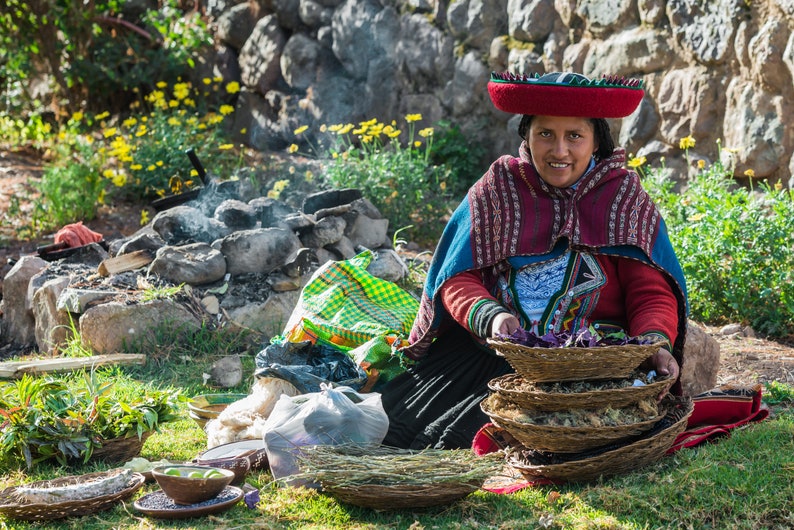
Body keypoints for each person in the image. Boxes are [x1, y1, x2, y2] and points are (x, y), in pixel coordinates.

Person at [381, 71, 689, 450]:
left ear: (597, 143)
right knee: (399, 430)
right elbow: (456, 277)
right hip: (490, 362)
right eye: (546, 134)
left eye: (574, 136)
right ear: (527, 135)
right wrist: (491, 316)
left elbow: (651, 293)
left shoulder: (621, 199)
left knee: (480, 441)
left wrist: (654, 344)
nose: (559, 151)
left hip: (588, 374)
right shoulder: (498, 189)